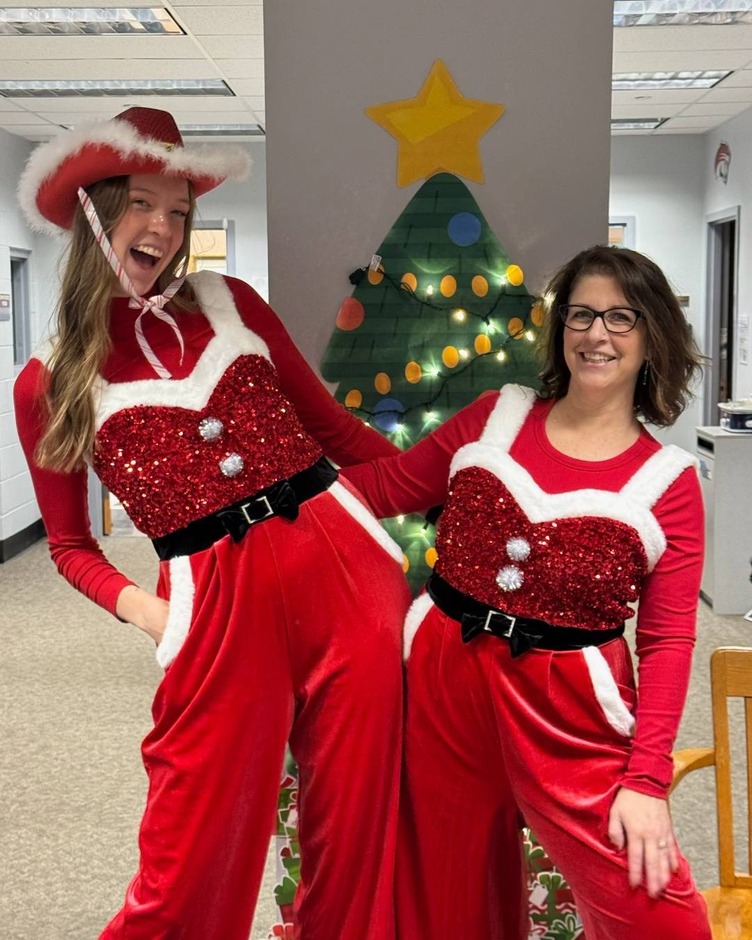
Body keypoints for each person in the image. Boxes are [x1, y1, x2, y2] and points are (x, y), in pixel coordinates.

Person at [13, 106, 411, 940]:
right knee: (191, 847)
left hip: (342, 569)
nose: (165, 227)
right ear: (96, 214)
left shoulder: (232, 303)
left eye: (181, 210)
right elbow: (71, 545)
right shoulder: (47, 382)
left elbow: (337, 436)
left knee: (351, 827)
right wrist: (156, 614)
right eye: (144, 206)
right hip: (214, 606)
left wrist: (460, 487)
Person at [342, 245, 712, 939]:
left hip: (570, 708)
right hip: (443, 681)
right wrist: (270, 490)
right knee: (447, 904)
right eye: (581, 314)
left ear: (653, 333)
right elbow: (382, 489)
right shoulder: (494, 417)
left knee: (658, 915)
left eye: (621, 317)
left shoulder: (670, 481)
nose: (596, 334)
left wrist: (647, 783)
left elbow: (667, 642)